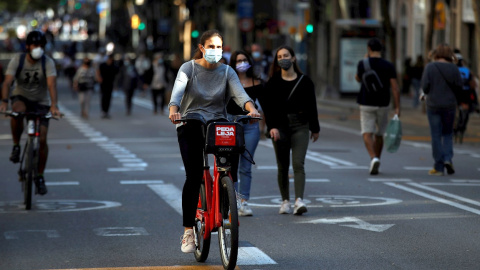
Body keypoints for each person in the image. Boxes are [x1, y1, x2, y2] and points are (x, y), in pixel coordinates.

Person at [168, 29, 260, 253]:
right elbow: (177, 93)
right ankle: (189, 230)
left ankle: (226, 196)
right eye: (211, 46)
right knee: (194, 175)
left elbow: (240, 95)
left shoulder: (227, 71)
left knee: (227, 165)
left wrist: (252, 109)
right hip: (190, 123)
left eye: (219, 47)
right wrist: (174, 110)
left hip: (217, 125)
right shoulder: (188, 68)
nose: (215, 51)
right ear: (201, 48)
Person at [261, 45, 320, 215]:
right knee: (283, 165)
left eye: (286, 55)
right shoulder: (272, 83)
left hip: (301, 125)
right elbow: (268, 108)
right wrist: (272, 127)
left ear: (293, 58)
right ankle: (285, 200)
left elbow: (312, 106)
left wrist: (315, 129)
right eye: (279, 57)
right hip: (280, 127)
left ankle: (298, 200)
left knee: (298, 164)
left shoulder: (305, 81)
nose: (283, 59)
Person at [0, 30, 61, 195]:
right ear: (27, 46)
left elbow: (52, 85)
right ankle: (16, 146)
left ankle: (40, 176)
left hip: (41, 102)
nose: (38, 49)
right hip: (21, 97)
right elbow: (7, 83)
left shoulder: (47, 62)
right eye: (35, 45)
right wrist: (5, 101)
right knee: (17, 111)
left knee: (42, 138)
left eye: (41, 46)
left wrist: (54, 105)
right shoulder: (17, 60)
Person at [355, 38, 400, 175]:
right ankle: (377, 159)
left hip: (366, 102)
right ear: (381, 50)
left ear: (369, 49)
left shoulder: (363, 63)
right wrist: (397, 107)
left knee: (367, 133)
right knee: (379, 134)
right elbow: (395, 88)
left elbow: (358, 78)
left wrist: (365, 60)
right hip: (383, 104)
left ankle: (373, 158)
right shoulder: (388, 65)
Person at [227, 50, 263, 216]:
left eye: (244, 60)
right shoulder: (227, 82)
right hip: (230, 125)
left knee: (246, 166)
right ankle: (231, 201)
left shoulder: (257, 83)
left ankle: (244, 202)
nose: (241, 63)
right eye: (238, 60)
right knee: (231, 165)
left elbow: (264, 106)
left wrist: (264, 124)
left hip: (250, 126)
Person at [421, 43, 463, 176]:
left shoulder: (430, 67)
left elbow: (425, 86)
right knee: (448, 134)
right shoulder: (454, 68)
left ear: (436, 54)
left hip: (433, 105)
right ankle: (448, 159)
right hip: (450, 105)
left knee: (436, 135)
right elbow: (459, 87)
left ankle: (438, 166)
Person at [453, 51, 479, 144]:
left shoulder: (452, 70)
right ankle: (461, 128)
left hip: (455, 93)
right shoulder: (467, 70)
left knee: (453, 111)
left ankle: (455, 128)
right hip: (465, 93)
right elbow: (473, 83)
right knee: (465, 113)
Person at [97, 54, 119, 118]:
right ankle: (103, 111)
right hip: (103, 84)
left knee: (108, 98)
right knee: (103, 97)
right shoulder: (103, 65)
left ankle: (106, 111)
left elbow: (117, 73)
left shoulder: (114, 66)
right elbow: (98, 71)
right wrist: (98, 78)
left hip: (110, 84)